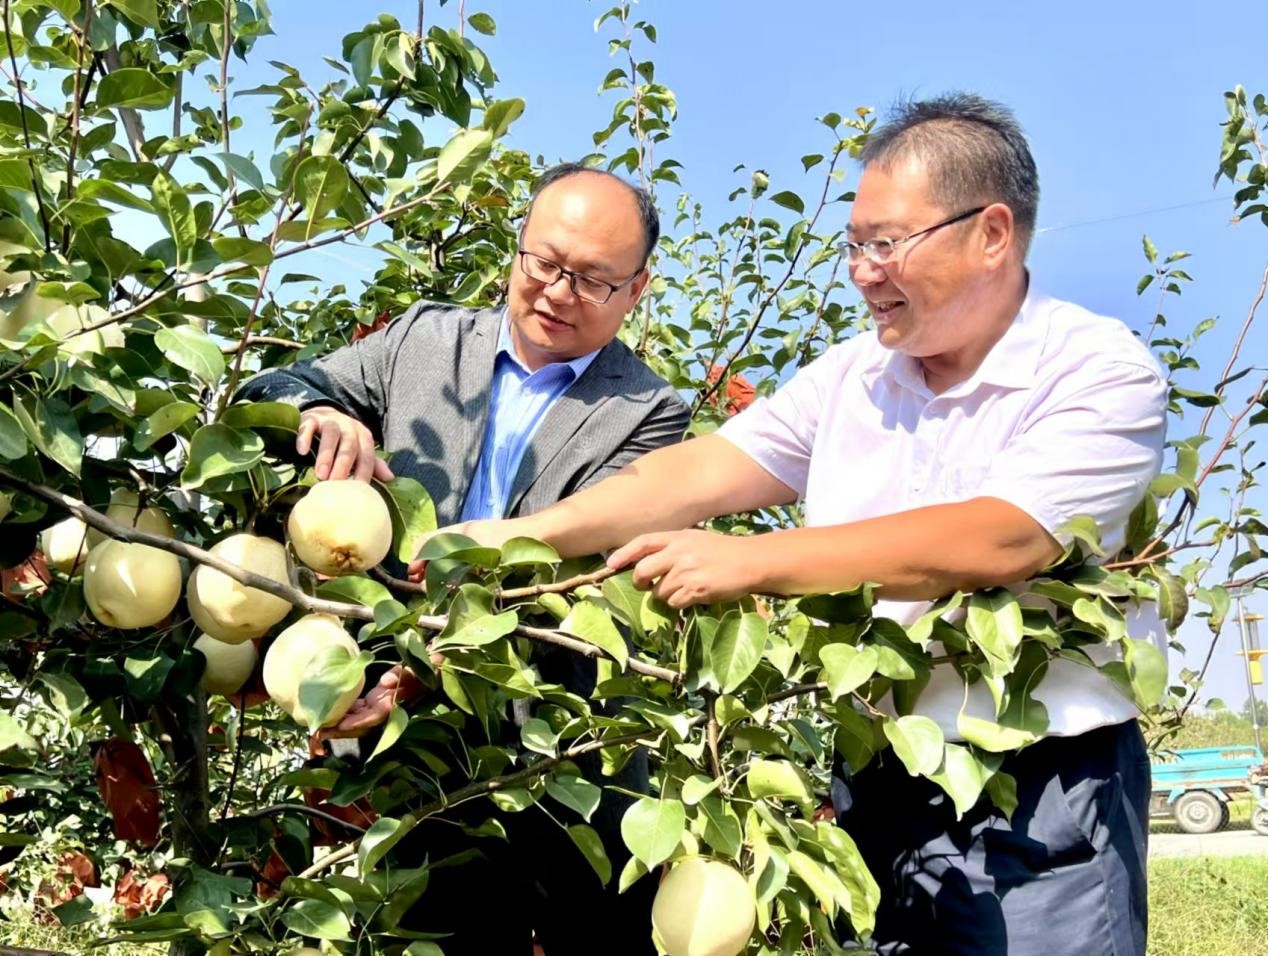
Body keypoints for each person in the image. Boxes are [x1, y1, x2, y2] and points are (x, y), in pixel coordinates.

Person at [443, 94, 1168, 956]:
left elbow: (1003, 535)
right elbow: (697, 473)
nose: (862, 272)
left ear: (991, 234)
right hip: (874, 777)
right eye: (854, 245)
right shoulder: (855, 375)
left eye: (885, 244)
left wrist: (754, 561)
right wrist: (515, 539)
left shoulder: (1096, 371)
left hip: (1039, 794)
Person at [238, 163, 689, 955]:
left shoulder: (650, 412)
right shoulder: (423, 339)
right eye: (543, 262)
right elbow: (273, 387)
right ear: (518, 248)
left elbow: (582, 567)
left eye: (591, 280)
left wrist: (438, 657)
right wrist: (320, 411)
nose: (557, 292)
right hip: (415, 752)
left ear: (637, 290)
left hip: (565, 748)